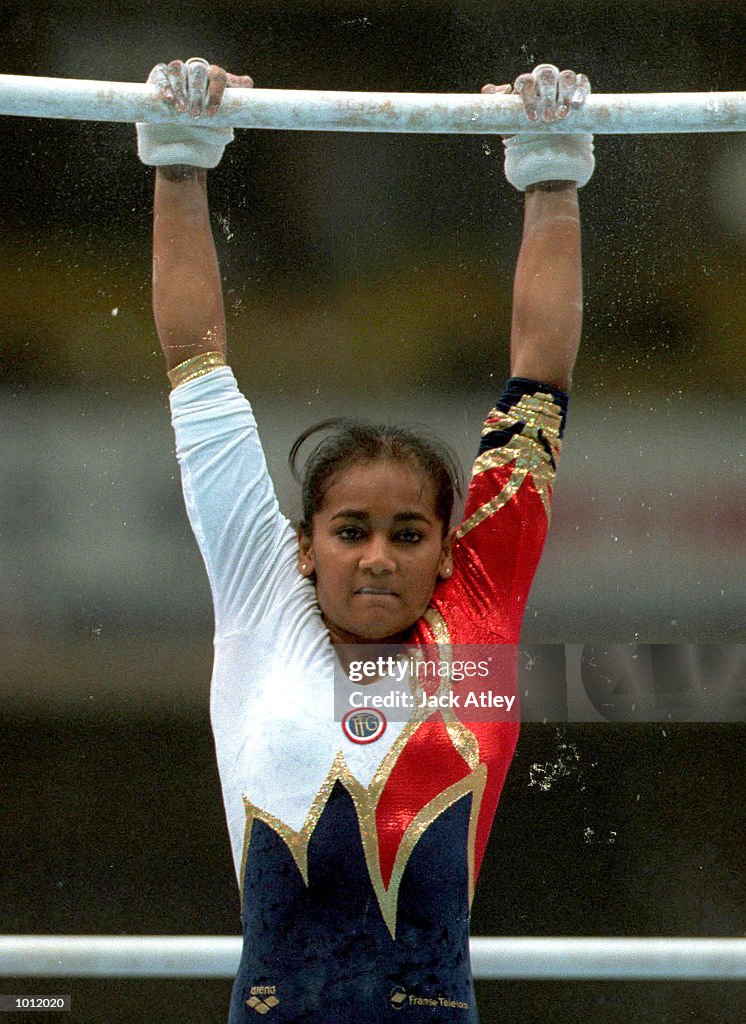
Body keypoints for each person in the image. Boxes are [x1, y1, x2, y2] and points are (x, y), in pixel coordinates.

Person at [137, 57, 594, 1023]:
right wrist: (180, 160)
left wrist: (551, 174)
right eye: (350, 531)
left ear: (448, 549)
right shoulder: (267, 605)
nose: (378, 556)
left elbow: (539, 379)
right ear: (305, 546)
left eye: (407, 533)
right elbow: (196, 370)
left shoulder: (474, 618)